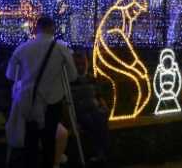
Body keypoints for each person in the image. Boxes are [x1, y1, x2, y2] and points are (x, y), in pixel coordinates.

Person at [6, 16, 78, 168]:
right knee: (49, 139)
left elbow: (11, 75)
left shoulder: (23, 48)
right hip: (53, 101)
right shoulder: (61, 48)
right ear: (53, 28)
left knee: (30, 139)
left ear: (36, 28)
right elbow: (72, 76)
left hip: (29, 100)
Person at [71, 50, 110, 163]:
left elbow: (99, 95)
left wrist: (104, 105)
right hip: (81, 111)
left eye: (83, 64)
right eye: (77, 65)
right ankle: (98, 152)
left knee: (100, 119)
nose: (81, 67)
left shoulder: (91, 78)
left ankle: (102, 152)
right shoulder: (70, 81)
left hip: (94, 109)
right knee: (91, 121)